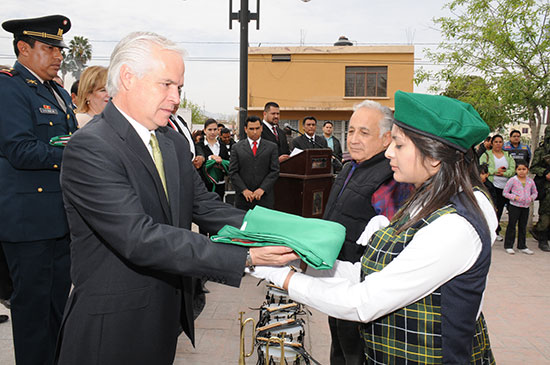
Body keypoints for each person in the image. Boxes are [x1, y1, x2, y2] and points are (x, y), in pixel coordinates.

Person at [55, 31, 297, 364]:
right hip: (112, 329)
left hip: (163, 319)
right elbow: (140, 238)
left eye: (179, 88)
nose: (176, 98)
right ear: (127, 77)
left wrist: (287, 229)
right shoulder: (91, 147)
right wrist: (245, 257)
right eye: (166, 85)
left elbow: (206, 206)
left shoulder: (168, 140)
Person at [251, 91, 497, 364]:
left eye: (399, 145)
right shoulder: (423, 201)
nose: (389, 152)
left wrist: (283, 277)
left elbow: (363, 301)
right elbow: (365, 272)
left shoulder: (454, 226)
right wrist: (303, 259)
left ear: (434, 157)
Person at [0, 14, 77, 365]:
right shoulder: (9, 88)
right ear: (23, 49)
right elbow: (20, 149)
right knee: (33, 316)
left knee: (58, 311)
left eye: (59, 48)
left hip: (60, 220)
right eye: (48, 48)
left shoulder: (57, 92)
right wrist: (77, 154)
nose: (58, 55)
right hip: (29, 224)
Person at [322, 99, 413, 365]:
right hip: (337, 279)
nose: (353, 138)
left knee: (355, 353)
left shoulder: (391, 177)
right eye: (350, 131)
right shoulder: (349, 166)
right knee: (338, 345)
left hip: (363, 288)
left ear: (387, 138)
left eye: (364, 132)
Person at [229, 115, 279, 211]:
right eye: (251, 129)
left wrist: (262, 189)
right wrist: (244, 190)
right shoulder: (237, 147)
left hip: (265, 198)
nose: (255, 132)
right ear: (245, 129)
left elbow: (274, 171)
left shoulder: (271, 147)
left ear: (261, 128)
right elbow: (233, 172)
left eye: (257, 128)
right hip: (243, 199)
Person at [480, 134, 515, 240]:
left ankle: (497, 231)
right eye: (496, 142)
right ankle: (491, 231)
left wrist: (504, 173)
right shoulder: (486, 155)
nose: (498, 144)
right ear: (492, 143)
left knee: (502, 210)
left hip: (506, 187)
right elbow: (482, 168)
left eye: (500, 142)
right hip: (492, 186)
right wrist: (496, 171)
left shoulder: (508, 155)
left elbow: (513, 169)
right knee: (493, 209)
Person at [502, 160, 537, 255]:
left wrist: (531, 198)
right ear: (516, 170)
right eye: (519, 169)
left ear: (527, 170)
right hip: (514, 206)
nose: (522, 171)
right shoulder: (512, 180)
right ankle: (509, 245)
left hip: (525, 207)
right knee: (512, 225)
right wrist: (515, 197)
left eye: (524, 169)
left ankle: (522, 246)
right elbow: (505, 193)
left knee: (523, 226)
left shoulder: (530, 181)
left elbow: (535, 192)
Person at [529, 125, 550, 252]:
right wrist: (545, 172)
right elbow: (533, 167)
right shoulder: (542, 151)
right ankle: (542, 238)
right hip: (547, 188)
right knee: (546, 213)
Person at [198, 118, 230, 200]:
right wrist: (211, 158)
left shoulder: (222, 146)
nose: (212, 132)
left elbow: (228, 164)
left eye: (215, 129)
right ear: (205, 130)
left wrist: (222, 165)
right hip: (205, 185)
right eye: (210, 129)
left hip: (220, 184)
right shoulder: (199, 145)